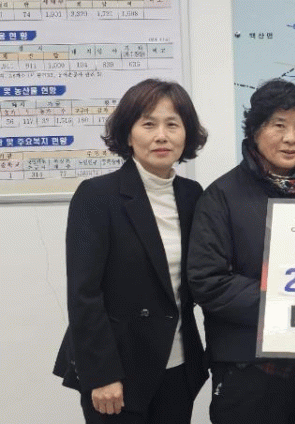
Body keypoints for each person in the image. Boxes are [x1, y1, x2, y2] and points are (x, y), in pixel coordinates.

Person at [53, 79, 209, 423]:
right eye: (148, 124)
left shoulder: (192, 195)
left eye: (172, 124)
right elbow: (83, 294)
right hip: (118, 371)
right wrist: (102, 375)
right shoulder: (97, 196)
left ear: (186, 134)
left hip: (178, 366)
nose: (161, 136)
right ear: (128, 134)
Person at [186, 79, 295, 424]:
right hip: (248, 369)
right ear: (255, 131)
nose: (291, 138)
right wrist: (286, 301)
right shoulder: (221, 196)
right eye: (278, 125)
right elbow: (208, 282)